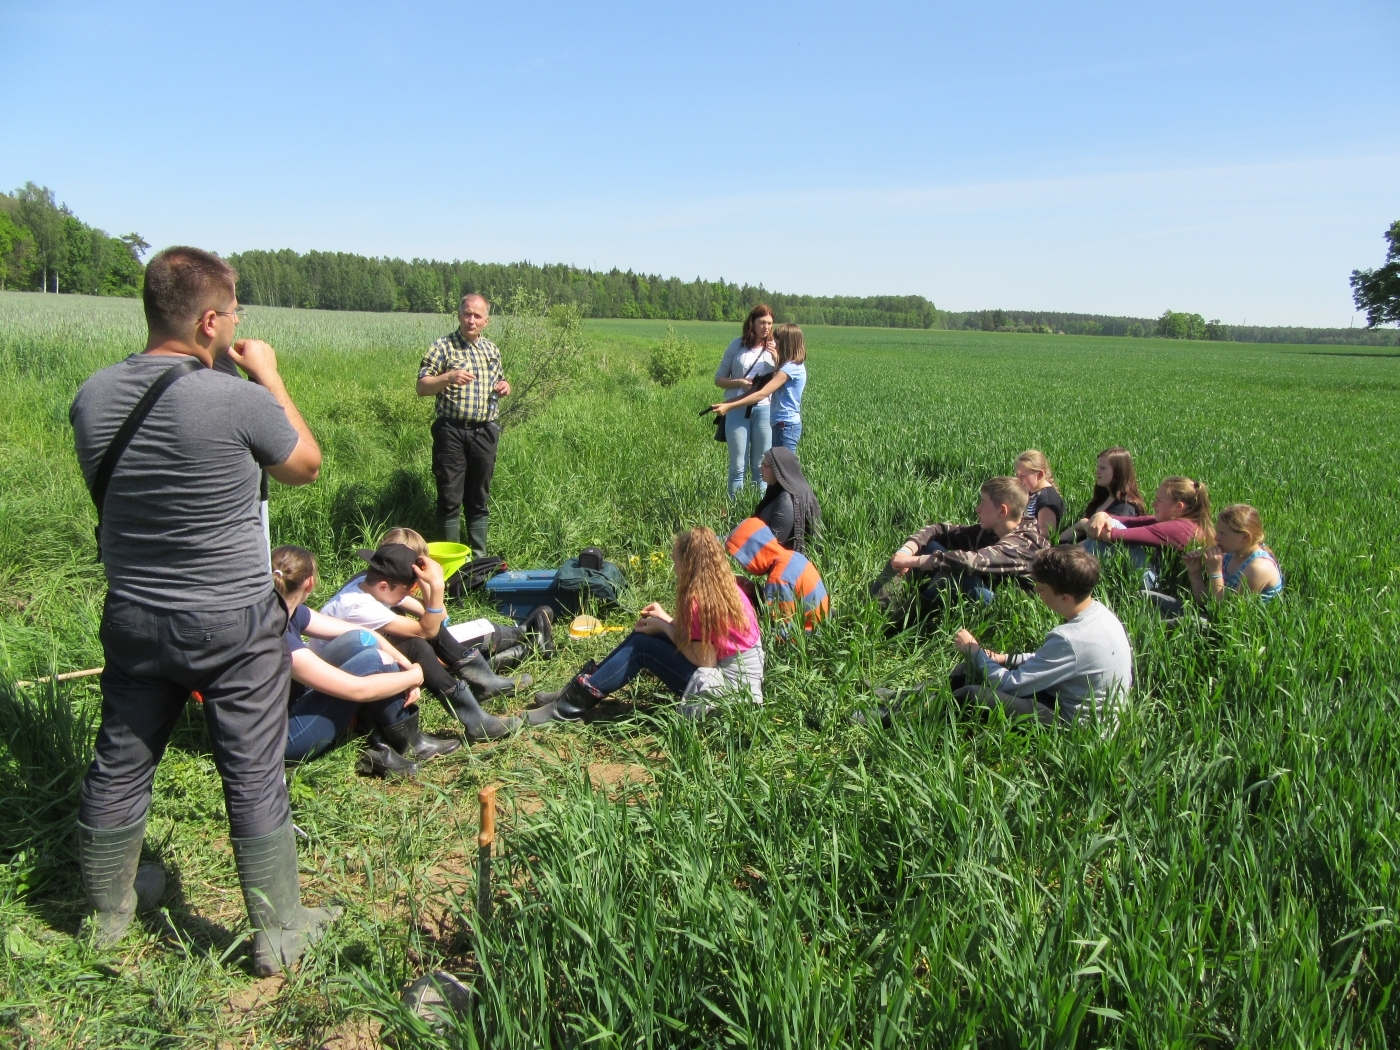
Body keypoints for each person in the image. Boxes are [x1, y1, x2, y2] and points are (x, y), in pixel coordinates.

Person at [69, 247, 334, 974]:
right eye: (235, 312)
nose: (239, 323)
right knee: (251, 770)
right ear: (210, 319)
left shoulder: (92, 395)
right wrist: (269, 375)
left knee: (120, 760)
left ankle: (108, 913)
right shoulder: (235, 397)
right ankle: (281, 934)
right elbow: (306, 465)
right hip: (229, 618)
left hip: (132, 615)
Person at [857, 547, 1132, 727]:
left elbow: (1012, 686)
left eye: (1042, 588)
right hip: (1068, 697)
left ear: (1065, 597)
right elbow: (1054, 662)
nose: (1037, 592)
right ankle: (901, 697)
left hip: (1073, 725)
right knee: (970, 669)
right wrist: (1003, 658)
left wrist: (974, 650)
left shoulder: (1071, 637)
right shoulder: (1098, 615)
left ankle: (894, 722)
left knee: (972, 694)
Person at [526, 528, 764, 723]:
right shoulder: (721, 586)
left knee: (642, 647)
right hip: (740, 680)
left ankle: (567, 708)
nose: (674, 568)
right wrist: (665, 621)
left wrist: (665, 627)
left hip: (730, 694)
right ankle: (579, 688)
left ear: (689, 564)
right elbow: (702, 640)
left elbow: (706, 660)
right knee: (644, 633)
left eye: (676, 561)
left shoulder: (699, 600)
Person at [271, 546, 461, 777]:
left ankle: (385, 736)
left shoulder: (286, 611)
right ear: (310, 583)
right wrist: (413, 676)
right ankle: (408, 741)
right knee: (373, 659)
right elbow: (358, 690)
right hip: (283, 740)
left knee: (362, 640)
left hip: (290, 705)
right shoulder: (278, 640)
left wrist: (403, 662)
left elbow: (362, 632)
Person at [317, 542, 524, 741]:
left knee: (428, 633)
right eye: (408, 589)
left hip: (356, 662)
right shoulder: (359, 606)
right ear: (384, 586)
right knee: (418, 643)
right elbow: (427, 629)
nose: (410, 594)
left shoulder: (369, 583)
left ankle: (483, 684)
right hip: (334, 688)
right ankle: (476, 719)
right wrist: (437, 585)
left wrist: (428, 586)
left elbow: (437, 619)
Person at [870, 477, 1048, 620]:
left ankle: (896, 626)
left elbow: (969, 562)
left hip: (1007, 612)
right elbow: (940, 529)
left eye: (983, 502)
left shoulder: (1024, 543)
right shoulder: (993, 529)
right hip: (985, 588)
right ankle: (876, 610)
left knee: (954, 573)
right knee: (926, 546)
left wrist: (912, 562)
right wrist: (906, 551)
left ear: (1002, 511)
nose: (977, 508)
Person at [416, 293, 511, 557]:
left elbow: (500, 380)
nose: (471, 320)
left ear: (486, 321)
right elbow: (422, 387)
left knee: (478, 496)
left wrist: (505, 386)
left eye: (477, 316)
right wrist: (448, 377)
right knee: (449, 496)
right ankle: (453, 559)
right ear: (459, 315)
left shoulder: (491, 350)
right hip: (451, 430)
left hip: (485, 431)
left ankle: (478, 558)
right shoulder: (442, 347)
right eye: (467, 314)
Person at [379, 526, 554, 668]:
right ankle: (527, 642)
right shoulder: (381, 597)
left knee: (481, 629)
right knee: (477, 639)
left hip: (421, 652)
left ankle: (525, 635)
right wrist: (435, 585)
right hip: (413, 660)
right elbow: (432, 628)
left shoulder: (392, 593)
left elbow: (441, 617)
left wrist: (425, 585)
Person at [713, 304, 777, 497]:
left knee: (761, 467)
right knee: (737, 466)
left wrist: (777, 357)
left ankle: (758, 514)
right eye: (762, 322)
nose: (766, 327)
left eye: (770, 323)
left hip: (765, 409)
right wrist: (738, 382)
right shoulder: (737, 345)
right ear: (752, 322)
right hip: (737, 409)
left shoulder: (775, 347)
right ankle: (735, 515)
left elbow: (783, 379)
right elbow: (719, 379)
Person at [713, 321, 807, 451]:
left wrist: (729, 406)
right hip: (782, 424)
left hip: (785, 426)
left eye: (779, 345)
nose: (777, 348)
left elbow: (762, 394)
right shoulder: (789, 366)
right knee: (777, 467)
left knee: (783, 470)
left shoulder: (790, 368)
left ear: (788, 345)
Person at [725, 517, 829, 634]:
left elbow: (778, 631)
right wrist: (757, 591)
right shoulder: (792, 556)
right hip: (823, 625)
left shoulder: (778, 578)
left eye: (743, 561)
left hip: (809, 636)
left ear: (754, 554)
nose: (744, 568)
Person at [1185, 504, 1284, 603]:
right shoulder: (1230, 555)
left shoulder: (1258, 568)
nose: (1216, 538)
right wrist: (1195, 573)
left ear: (1245, 537)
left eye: (1222, 533)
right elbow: (1205, 602)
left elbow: (1224, 611)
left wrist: (1215, 572)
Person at [1059, 447, 1146, 542]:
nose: (1097, 472)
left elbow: (1098, 545)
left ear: (1118, 472)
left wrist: (1082, 525)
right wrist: (1081, 524)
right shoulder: (1102, 498)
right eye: (1098, 467)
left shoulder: (1124, 508)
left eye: (1103, 468)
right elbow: (1061, 539)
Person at [749, 447, 821, 553]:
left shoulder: (787, 501)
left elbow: (771, 545)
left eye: (765, 465)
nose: (761, 468)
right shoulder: (776, 488)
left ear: (777, 471)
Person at [1013, 450, 1065, 538]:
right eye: (1017, 475)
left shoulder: (1046, 499)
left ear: (1040, 475)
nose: (1018, 479)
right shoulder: (1031, 492)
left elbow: (1046, 534)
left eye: (1023, 475)